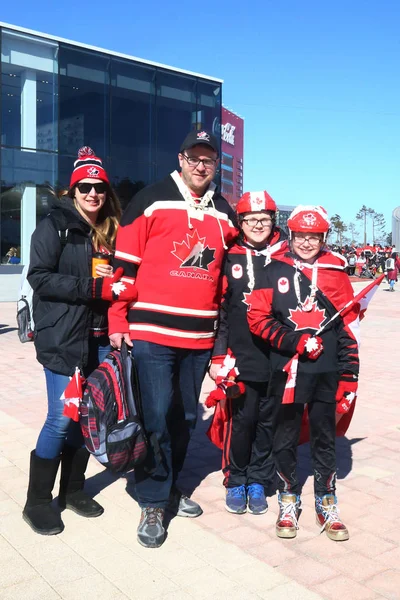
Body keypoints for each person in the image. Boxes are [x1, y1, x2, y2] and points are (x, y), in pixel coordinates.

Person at [108, 129, 237, 548]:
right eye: (195, 157)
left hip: (199, 336)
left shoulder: (224, 212)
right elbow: (123, 267)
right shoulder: (150, 198)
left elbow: (228, 277)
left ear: (216, 164)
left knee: (183, 419)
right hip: (152, 332)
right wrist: (117, 320)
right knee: (157, 416)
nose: (202, 165)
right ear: (181, 158)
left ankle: (168, 488)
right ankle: (151, 499)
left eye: (209, 159)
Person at [22, 146, 135, 536]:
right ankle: (37, 501)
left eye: (99, 187)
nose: (93, 194)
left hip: (102, 340)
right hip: (64, 340)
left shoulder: (114, 230)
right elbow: (39, 277)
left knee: (90, 418)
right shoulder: (54, 225)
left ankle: (72, 490)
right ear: (73, 191)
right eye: (85, 187)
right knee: (61, 417)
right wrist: (93, 287)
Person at [247, 205, 359, 542]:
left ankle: (327, 500)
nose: (307, 243)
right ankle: (288, 497)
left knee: (326, 437)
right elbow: (257, 318)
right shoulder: (273, 269)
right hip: (288, 369)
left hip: (327, 372)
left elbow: (348, 330)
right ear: (291, 235)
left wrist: (349, 375)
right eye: (301, 236)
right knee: (286, 435)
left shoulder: (336, 272)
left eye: (314, 237)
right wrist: (293, 340)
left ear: (323, 238)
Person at [209, 191, 286, 515]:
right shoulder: (230, 256)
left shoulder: (287, 256)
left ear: (273, 221)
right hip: (242, 358)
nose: (257, 224)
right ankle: (236, 478)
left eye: (264, 219)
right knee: (242, 421)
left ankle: (259, 479)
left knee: (269, 423)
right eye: (250, 219)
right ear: (240, 223)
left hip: (279, 357)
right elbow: (221, 312)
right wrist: (218, 356)